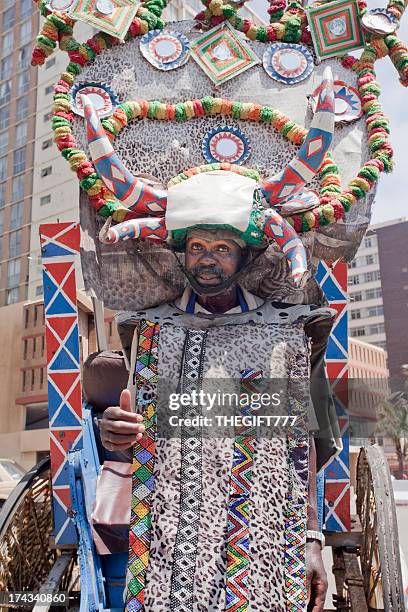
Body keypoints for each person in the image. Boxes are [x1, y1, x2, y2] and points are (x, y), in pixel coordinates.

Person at [83, 68, 340, 611]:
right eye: (197, 246)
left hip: (267, 547)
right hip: (168, 551)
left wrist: (314, 540)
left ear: (245, 255)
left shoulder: (282, 333)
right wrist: (117, 436)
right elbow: (128, 432)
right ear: (181, 253)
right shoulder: (149, 330)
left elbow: (298, 449)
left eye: (222, 249)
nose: (207, 259)